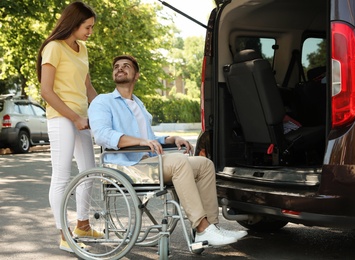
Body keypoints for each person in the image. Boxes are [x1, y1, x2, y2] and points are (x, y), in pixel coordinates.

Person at [88, 54, 248, 247]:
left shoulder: (138, 105)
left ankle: (211, 227)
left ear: (136, 75)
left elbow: (150, 139)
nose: (120, 68)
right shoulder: (103, 102)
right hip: (126, 166)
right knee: (178, 162)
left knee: (205, 164)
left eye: (126, 66)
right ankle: (202, 227)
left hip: (149, 162)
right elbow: (102, 135)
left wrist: (172, 139)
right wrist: (141, 141)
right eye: (116, 66)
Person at [36, 1, 102, 253]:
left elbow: (88, 88)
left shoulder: (82, 49)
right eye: (87, 27)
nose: (90, 32)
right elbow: (46, 91)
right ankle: (64, 234)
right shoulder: (53, 48)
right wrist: (74, 117)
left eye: (91, 27)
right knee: (62, 176)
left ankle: (83, 225)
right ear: (74, 24)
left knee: (89, 172)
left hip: (81, 118)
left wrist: (103, 111)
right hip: (62, 117)